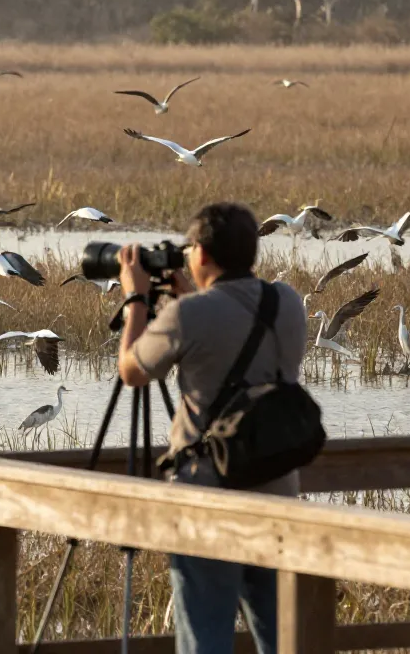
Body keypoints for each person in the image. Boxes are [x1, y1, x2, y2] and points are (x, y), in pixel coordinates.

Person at [114, 202, 306, 654]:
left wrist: (136, 298)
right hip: (278, 494)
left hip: (208, 499)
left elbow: (132, 370)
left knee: (206, 642)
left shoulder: (189, 317)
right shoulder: (288, 301)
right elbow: (236, 341)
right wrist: (189, 301)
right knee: (282, 640)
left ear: (199, 255)